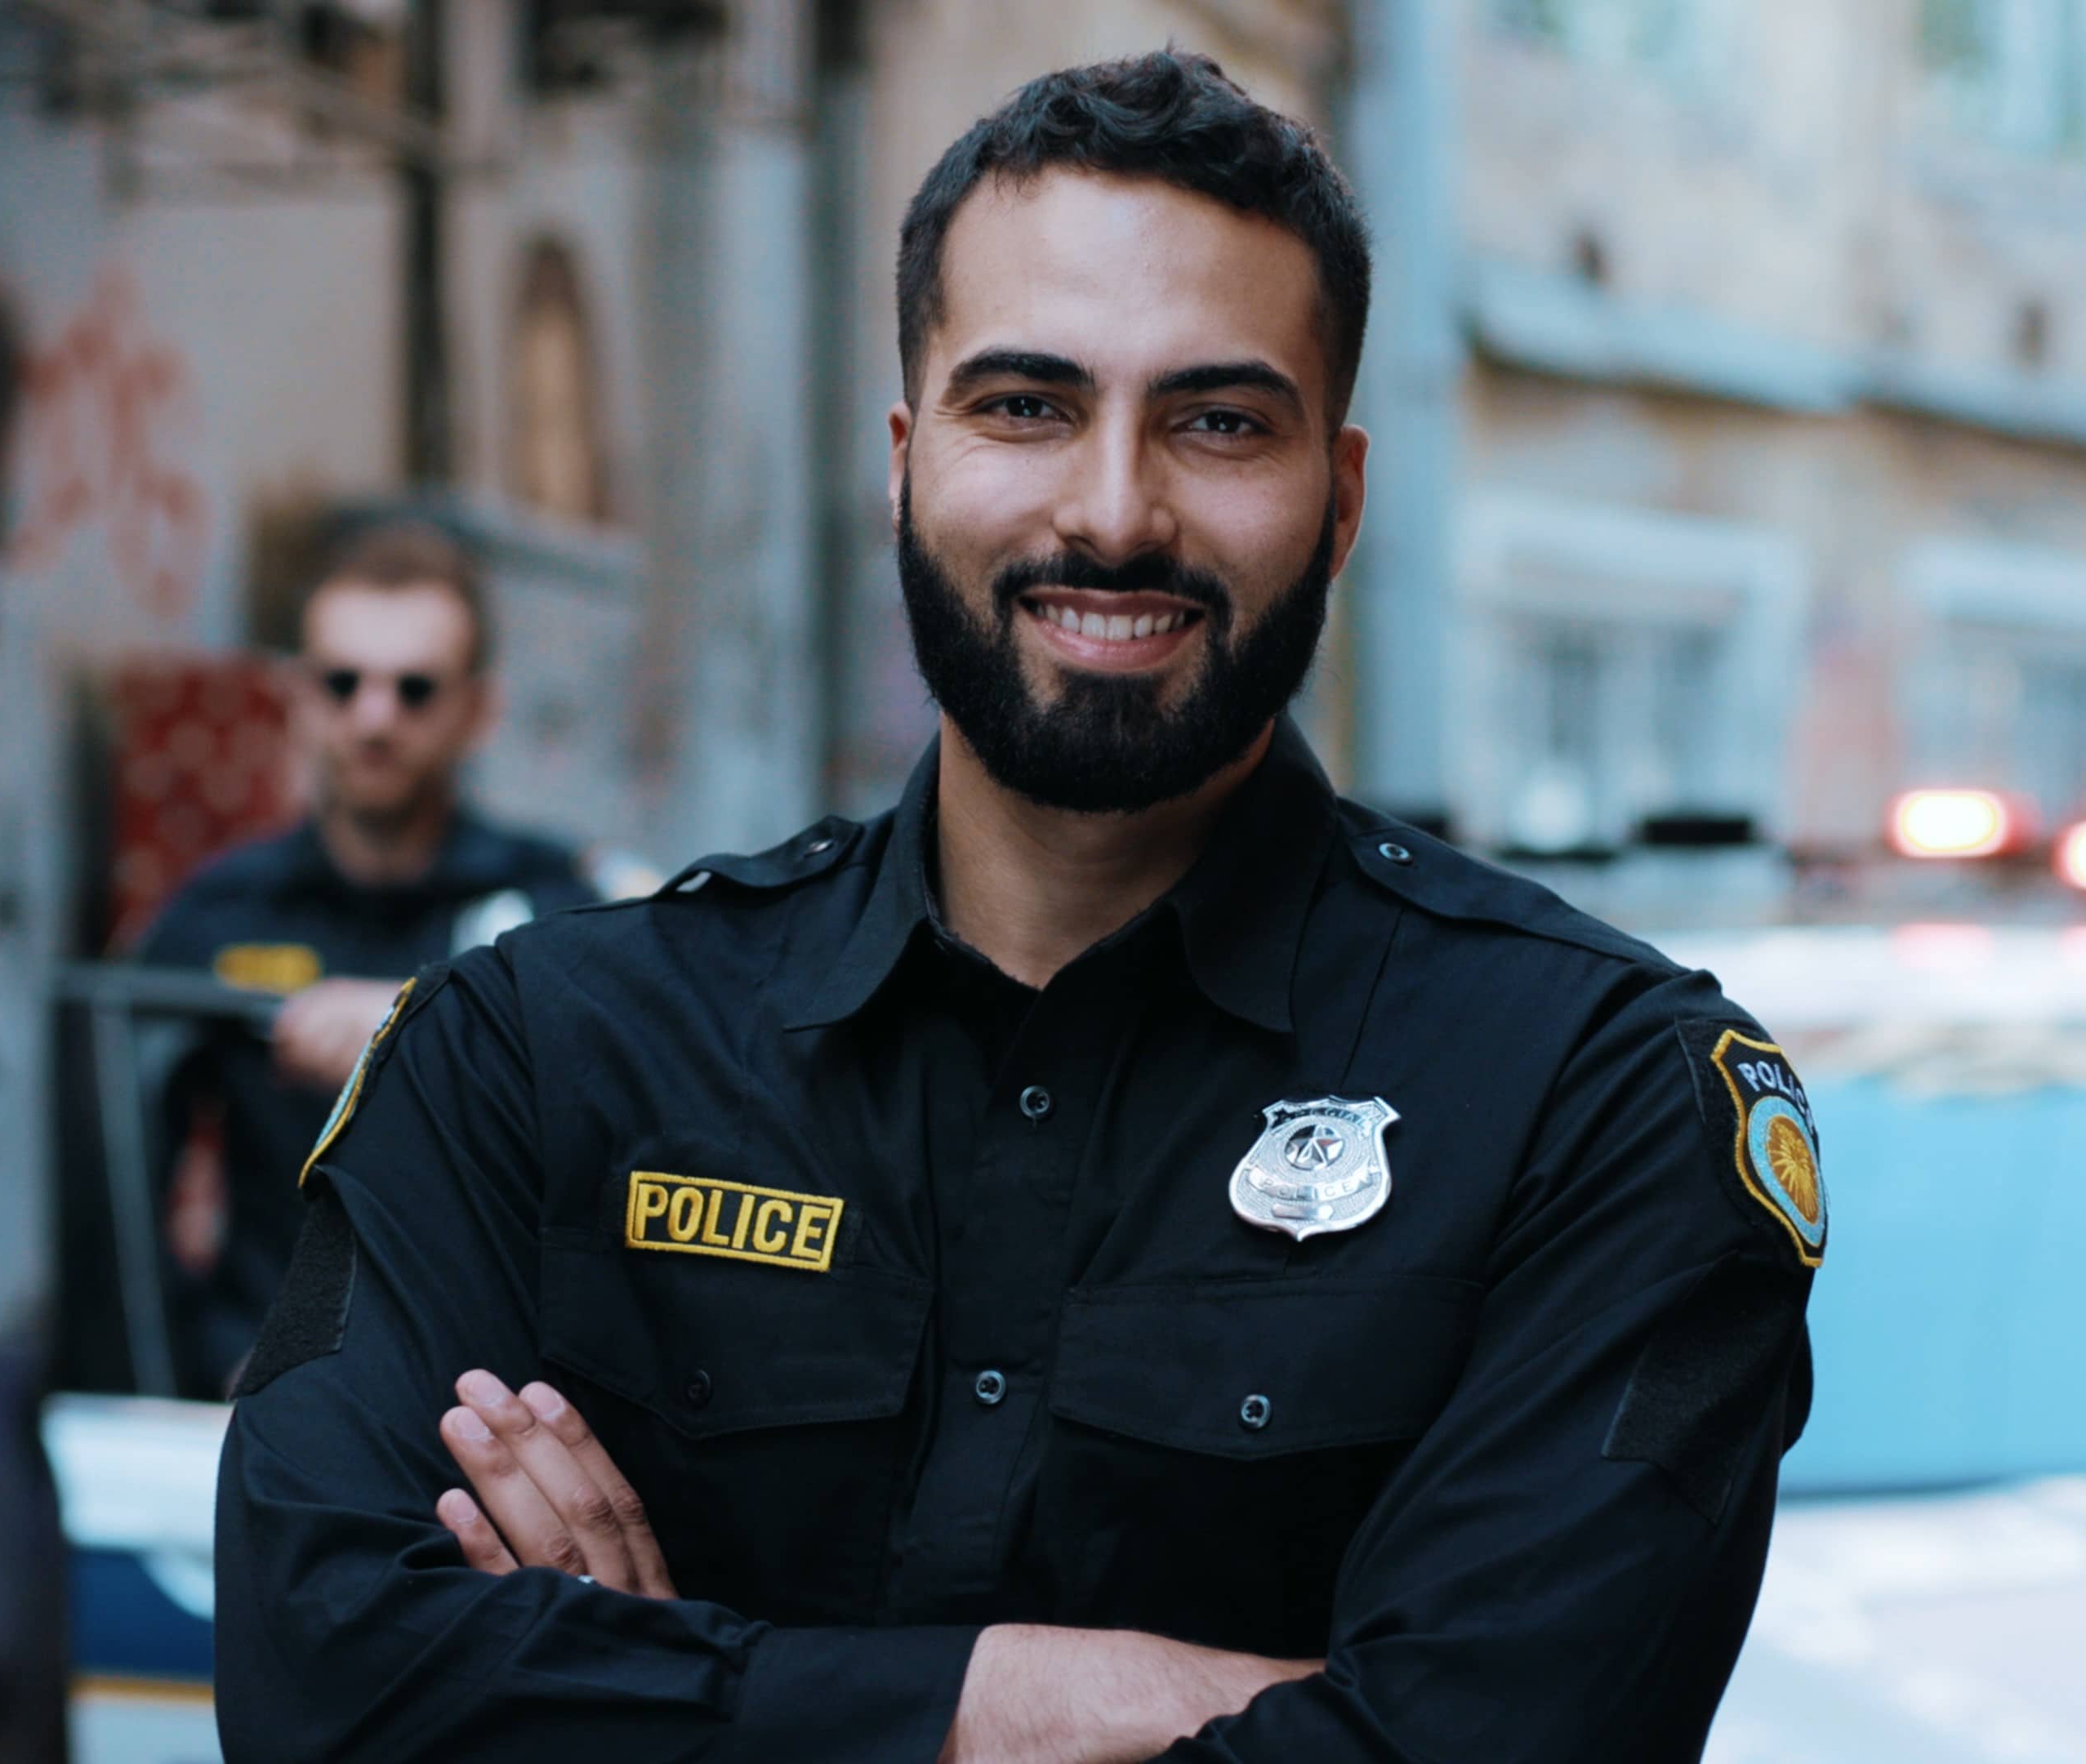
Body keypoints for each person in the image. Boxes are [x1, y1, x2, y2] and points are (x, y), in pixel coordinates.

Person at [216, 53, 1823, 1762]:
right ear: (906, 461)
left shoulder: (1601, 1100)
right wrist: (1049, 1700)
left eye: (1217, 421)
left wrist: (662, 1685)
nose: (1113, 511)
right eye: (1026, 407)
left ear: (1341, 499)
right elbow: (327, 1684)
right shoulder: (531, 1059)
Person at [136, 520, 596, 1396]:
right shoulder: (220, 915)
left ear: (478, 710)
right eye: (342, 683)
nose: (373, 717)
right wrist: (201, 1358)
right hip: (266, 1401)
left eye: (414, 689)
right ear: (297, 696)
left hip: (495, 1415)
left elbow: (629, 1129)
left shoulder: (557, 912)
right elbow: (115, 1179)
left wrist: (417, 1034)